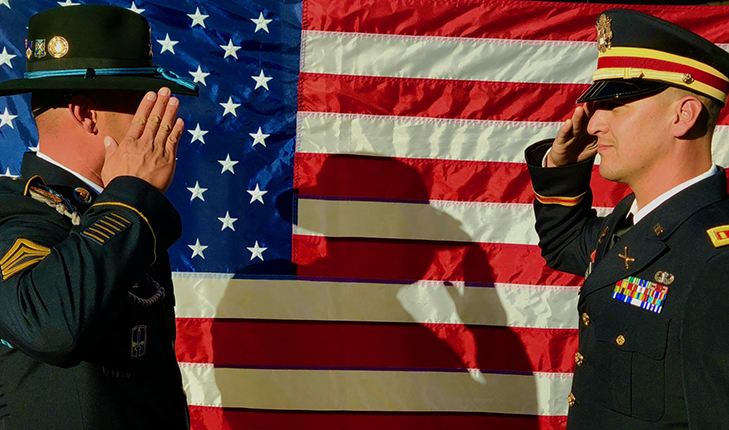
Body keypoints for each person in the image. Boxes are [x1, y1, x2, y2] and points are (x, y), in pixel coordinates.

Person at [525, 9, 729, 429]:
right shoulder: (633, 220)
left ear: (683, 115)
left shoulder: (715, 261)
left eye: (615, 104)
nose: (594, 123)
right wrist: (562, 167)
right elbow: (565, 244)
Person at [0, 5, 198, 429]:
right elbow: (52, 328)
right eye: (140, 102)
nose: (160, 120)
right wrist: (129, 195)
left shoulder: (122, 211)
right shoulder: (13, 210)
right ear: (85, 113)